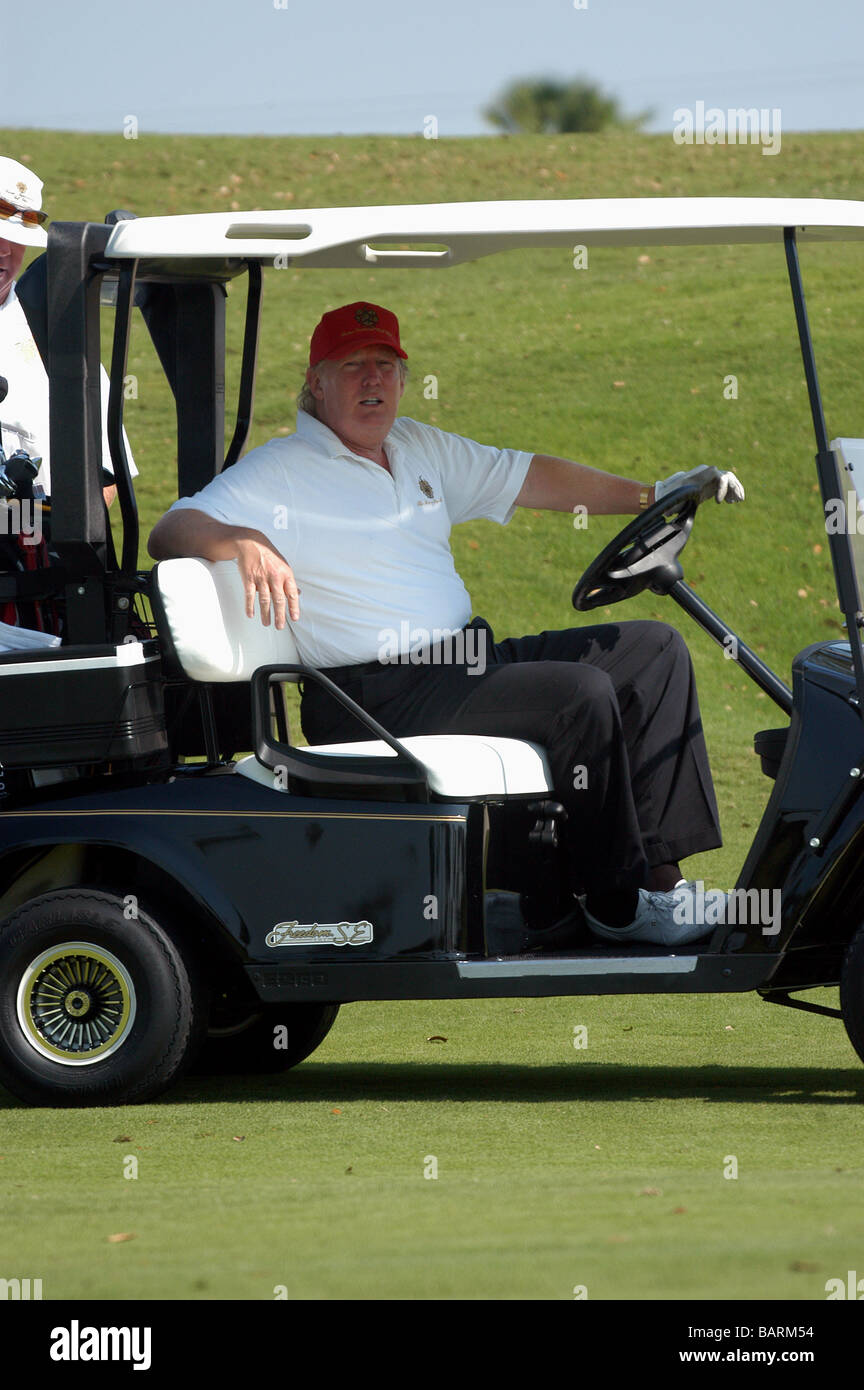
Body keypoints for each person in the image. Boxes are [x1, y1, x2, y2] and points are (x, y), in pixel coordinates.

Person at [149, 300, 745, 948]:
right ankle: (616, 901)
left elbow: (532, 478)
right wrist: (238, 539)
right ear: (316, 382)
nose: (372, 381)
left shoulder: (419, 448)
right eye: (353, 367)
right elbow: (170, 529)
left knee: (651, 650)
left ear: (403, 379)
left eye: (386, 365)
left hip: (461, 666)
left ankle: (660, 882)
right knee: (579, 696)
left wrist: (651, 495)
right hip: (370, 696)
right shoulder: (280, 470)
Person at [0, 155, 135, 509]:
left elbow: (106, 470)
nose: (4, 249)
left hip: (35, 552)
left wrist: (56, 543)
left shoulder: (58, 332)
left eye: (16, 238)